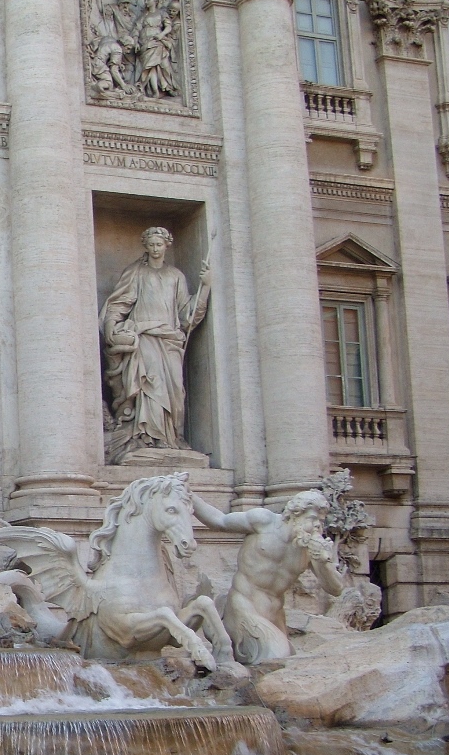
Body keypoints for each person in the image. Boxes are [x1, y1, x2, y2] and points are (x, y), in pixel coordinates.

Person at [191, 490, 347, 663]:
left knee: (286, 666)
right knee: (276, 658)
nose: (318, 525)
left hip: (275, 617)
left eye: (321, 521)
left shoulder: (309, 547)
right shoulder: (264, 521)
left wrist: (324, 562)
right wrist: (190, 496)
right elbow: (219, 521)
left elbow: (336, 588)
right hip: (243, 607)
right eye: (312, 519)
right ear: (295, 515)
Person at [100, 226, 210, 460]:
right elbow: (119, 304)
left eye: (159, 245)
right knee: (151, 386)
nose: (155, 249)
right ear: (146, 246)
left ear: (166, 246)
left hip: (170, 340)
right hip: (145, 338)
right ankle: (146, 437)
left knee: (175, 392)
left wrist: (206, 287)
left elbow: (186, 315)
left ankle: (169, 438)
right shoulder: (136, 272)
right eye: (151, 245)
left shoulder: (176, 276)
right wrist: (111, 325)